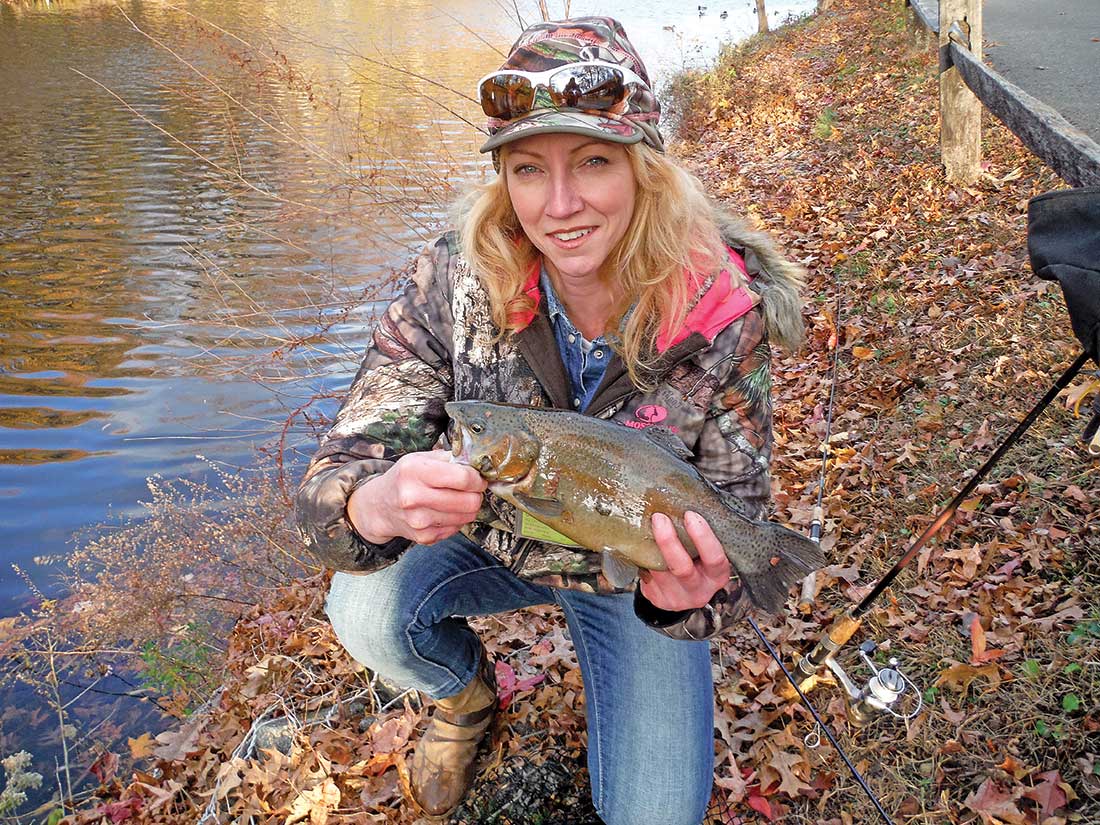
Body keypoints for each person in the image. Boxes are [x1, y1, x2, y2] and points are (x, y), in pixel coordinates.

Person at [295, 17, 806, 824]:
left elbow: (734, 523)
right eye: (529, 170)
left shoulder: (720, 312)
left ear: (644, 169)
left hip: (628, 567)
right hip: (491, 537)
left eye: (593, 162)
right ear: (504, 183)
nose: (560, 205)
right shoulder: (448, 280)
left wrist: (688, 595)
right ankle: (461, 694)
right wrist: (376, 502)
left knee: (658, 814)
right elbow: (334, 477)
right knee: (361, 608)